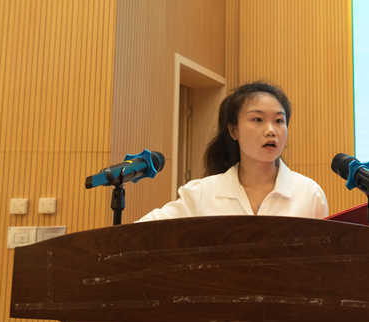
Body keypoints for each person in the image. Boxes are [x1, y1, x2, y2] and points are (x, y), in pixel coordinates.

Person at [136, 81, 328, 222]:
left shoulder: (309, 193)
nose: (271, 130)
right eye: (258, 119)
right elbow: (143, 233)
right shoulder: (202, 194)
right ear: (233, 130)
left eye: (279, 121)